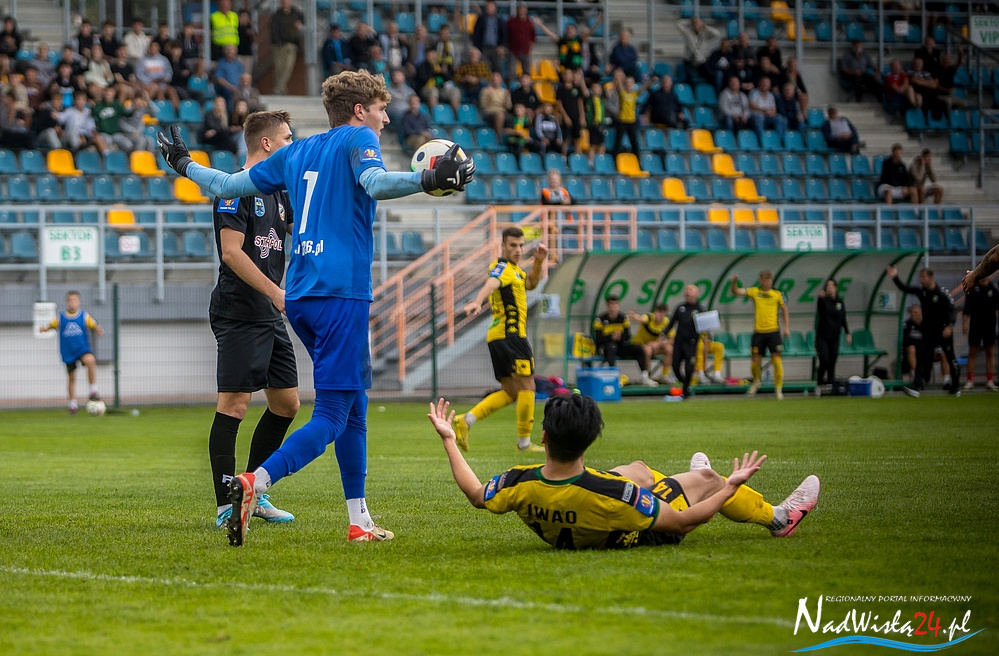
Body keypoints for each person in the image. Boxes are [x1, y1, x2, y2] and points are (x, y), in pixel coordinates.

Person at [156, 70, 475, 546]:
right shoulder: (358, 138)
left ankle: (359, 519)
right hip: (339, 294)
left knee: (354, 407)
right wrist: (426, 178)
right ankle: (254, 483)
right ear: (360, 111)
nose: (387, 119)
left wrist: (183, 163)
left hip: (301, 296)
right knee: (331, 415)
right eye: (381, 109)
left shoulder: (296, 152)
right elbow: (374, 182)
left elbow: (225, 183)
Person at [427, 394, 821, 550]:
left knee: (636, 470)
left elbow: (477, 494)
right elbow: (682, 524)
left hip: (571, 507)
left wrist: (449, 439)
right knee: (708, 480)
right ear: (589, 441)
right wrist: (727, 488)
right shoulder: (616, 495)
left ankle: (691, 482)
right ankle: (779, 518)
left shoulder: (519, 480)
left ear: (543, 437)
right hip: (629, 531)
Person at [208, 110, 299, 530]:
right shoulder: (234, 189)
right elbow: (231, 253)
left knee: (286, 404)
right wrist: (276, 293)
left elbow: (299, 235)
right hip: (239, 312)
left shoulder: (278, 192)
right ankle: (226, 506)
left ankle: (252, 491)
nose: (291, 145)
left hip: (268, 312)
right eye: (287, 138)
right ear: (267, 143)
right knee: (235, 404)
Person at [451, 228, 548, 454]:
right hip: (511, 335)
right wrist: (478, 301)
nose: (518, 249)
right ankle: (524, 443)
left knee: (512, 392)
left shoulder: (515, 271)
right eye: (513, 245)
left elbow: (531, 283)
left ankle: (466, 420)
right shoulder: (502, 268)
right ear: (503, 246)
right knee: (528, 387)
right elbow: (492, 283)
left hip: (498, 337)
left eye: (521, 245)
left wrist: (538, 261)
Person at [886, 265, 960, 397]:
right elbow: (905, 288)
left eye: (923, 277)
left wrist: (950, 326)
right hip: (928, 331)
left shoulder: (941, 293)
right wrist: (895, 277)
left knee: (950, 358)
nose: (921, 280)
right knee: (922, 357)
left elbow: (953, 310)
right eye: (920, 277)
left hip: (943, 331)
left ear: (931, 277)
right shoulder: (922, 292)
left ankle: (955, 386)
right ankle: (916, 386)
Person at [39, 291, 103, 415]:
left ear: (79, 302)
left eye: (75, 301)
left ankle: (93, 390)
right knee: (71, 377)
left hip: (82, 349)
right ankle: (72, 404)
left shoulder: (84, 316)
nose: (72, 303)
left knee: (90, 360)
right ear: (66, 302)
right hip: (68, 352)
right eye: (70, 301)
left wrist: (98, 329)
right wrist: (44, 329)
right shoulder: (60, 317)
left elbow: (93, 324)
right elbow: (51, 325)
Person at [730, 270, 790, 399]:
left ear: (771, 281)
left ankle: (778, 389)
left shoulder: (777, 294)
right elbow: (736, 291)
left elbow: (784, 309)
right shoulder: (755, 292)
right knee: (755, 360)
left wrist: (786, 327)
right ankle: (756, 381)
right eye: (764, 279)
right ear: (760, 281)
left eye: (769, 280)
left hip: (773, 331)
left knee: (777, 360)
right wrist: (734, 282)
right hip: (759, 332)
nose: (767, 282)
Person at [593, 295, 657, 386]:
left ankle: (645, 376)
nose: (613, 307)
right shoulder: (600, 319)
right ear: (607, 306)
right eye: (611, 305)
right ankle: (615, 377)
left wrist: (620, 336)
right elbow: (598, 338)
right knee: (611, 347)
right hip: (606, 348)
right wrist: (611, 337)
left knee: (638, 348)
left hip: (620, 346)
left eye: (615, 304)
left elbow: (627, 336)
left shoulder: (623, 318)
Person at [661, 285, 707, 398]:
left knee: (689, 368)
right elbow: (672, 322)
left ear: (697, 294)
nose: (687, 292)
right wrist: (664, 333)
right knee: (675, 367)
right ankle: (685, 385)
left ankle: (685, 391)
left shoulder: (701, 309)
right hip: (679, 342)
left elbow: (708, 325)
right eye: (686, 290)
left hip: (691, 343)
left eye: (690, 290)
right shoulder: (680, 307)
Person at [961, 276, 998, 391]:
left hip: (990, 325)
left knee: (990, 352)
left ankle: (990, 380)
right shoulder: (973, 289)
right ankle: (970, 380)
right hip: (975, 325)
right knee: (972, 352)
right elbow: (966, 309)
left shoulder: (994, 289)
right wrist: (964, 324)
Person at [814, 279, 851, 391]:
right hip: (822, 337)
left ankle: (831, 384)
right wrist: (820, 298)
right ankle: (819, 382)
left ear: (836, 288)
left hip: (835, 337)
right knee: (824, 359)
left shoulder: (840, 302)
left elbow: (843, 318)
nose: (830, 288)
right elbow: (820, 309)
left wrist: (847, 332)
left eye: (832, 286)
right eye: (828, 286)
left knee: (832, 361)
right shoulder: (823, 301)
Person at [627, 304, 672, 381]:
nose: (659, 316)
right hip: (639, 345)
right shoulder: (649, 318)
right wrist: (634, 316)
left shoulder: (666, 322)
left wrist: (658, 343)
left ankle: (665, 376)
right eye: (657, 312)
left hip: (654, 346)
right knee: (648, 350)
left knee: (669, 349)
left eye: (662, 314)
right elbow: (641, 319)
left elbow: (672, 339)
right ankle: (646, 377)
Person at [271, 0, 304, 95]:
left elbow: (303, 20)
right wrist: (278, 41)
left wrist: (299, 25)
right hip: (279, 45)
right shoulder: (277, 14)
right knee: (279, 68)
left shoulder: (296, 13)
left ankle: (278, 89)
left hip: (291, 44)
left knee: (288, 67)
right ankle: (281, 88)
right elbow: (273, 29)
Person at [677, 17, 720, 82]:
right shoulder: (688, 32)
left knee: (710, 75)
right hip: (689, 59)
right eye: (695, 24)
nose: (696, 26)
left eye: (698, 24)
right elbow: (678, 24)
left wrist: (705, 26)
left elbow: (717, 34)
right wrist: (690, 21)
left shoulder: (705, 33)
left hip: (701, 59)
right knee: (689, 77)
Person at [471, 0, 508, 75]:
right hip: (483, 48)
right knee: (485, 68)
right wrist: (477, 47)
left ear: (495, 8)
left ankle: (498, 82)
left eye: (491, 6)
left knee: (497, 68)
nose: (489, 8)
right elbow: (476, 34)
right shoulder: (481, 20)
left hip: (496, 48)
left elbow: (504, 34)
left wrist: (501, 46)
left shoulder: (499, 20)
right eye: (487, 6)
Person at [506, 3, 535, 80]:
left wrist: (531, 44)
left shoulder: (529, 22)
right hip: (513, 50)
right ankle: (512, 84)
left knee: (527, 70)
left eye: (523, 10)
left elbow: (533, 35)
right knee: (511, 71)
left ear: (526, 11)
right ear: (517, 10)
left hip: (525, 50)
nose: (521, 11)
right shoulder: (511, 22)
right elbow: (505, 34)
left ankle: (526, 84)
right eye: (520, 9)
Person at [901, 304, 923, 382]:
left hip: (924, 349)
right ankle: (915, 375)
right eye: (911, 312)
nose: (913, 314)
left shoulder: (926, 324)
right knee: (911, 349)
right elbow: (905, 341)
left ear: (920, 313)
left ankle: (946, 380)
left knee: (942, 353)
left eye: (915, 312)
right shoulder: (907, 324)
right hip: (912, 350)